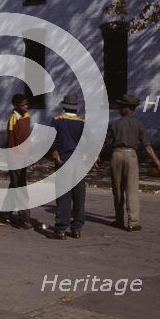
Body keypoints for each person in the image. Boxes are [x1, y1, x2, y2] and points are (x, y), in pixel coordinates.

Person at [107, 94, 160, 232]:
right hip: (131, 156)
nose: (119, 109)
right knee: (132, 189)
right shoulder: (139, 125)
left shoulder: (114, 124)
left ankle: (119, 220)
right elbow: (147, 146)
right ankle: (133, 222)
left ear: (127, 108)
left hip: (116, 155)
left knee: (117, 190)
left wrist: (95, 157)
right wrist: (158, 163)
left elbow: (103, 142)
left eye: (121, 107)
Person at [47, 94, 92, 240]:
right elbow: (88, 142)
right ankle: (77, 228)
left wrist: (55, 153)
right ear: (76, 109)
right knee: (79, 196)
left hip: (63, 161)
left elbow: (50, 140)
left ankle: (60, 229)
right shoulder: (82, 123)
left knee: (63, 196)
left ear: (64, 107)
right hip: (78, 162)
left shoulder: (57, 121)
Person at [0, 93, 32, 229]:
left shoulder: (26, 118)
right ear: (16, 106)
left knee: (15, 187)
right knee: (19, 188)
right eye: (23, 105)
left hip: (24, 159)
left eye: (27, 104)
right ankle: (25, 219)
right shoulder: (13, 119)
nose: (26, 107)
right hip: (15, 159)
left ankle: (3, 216)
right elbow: (12, 142)